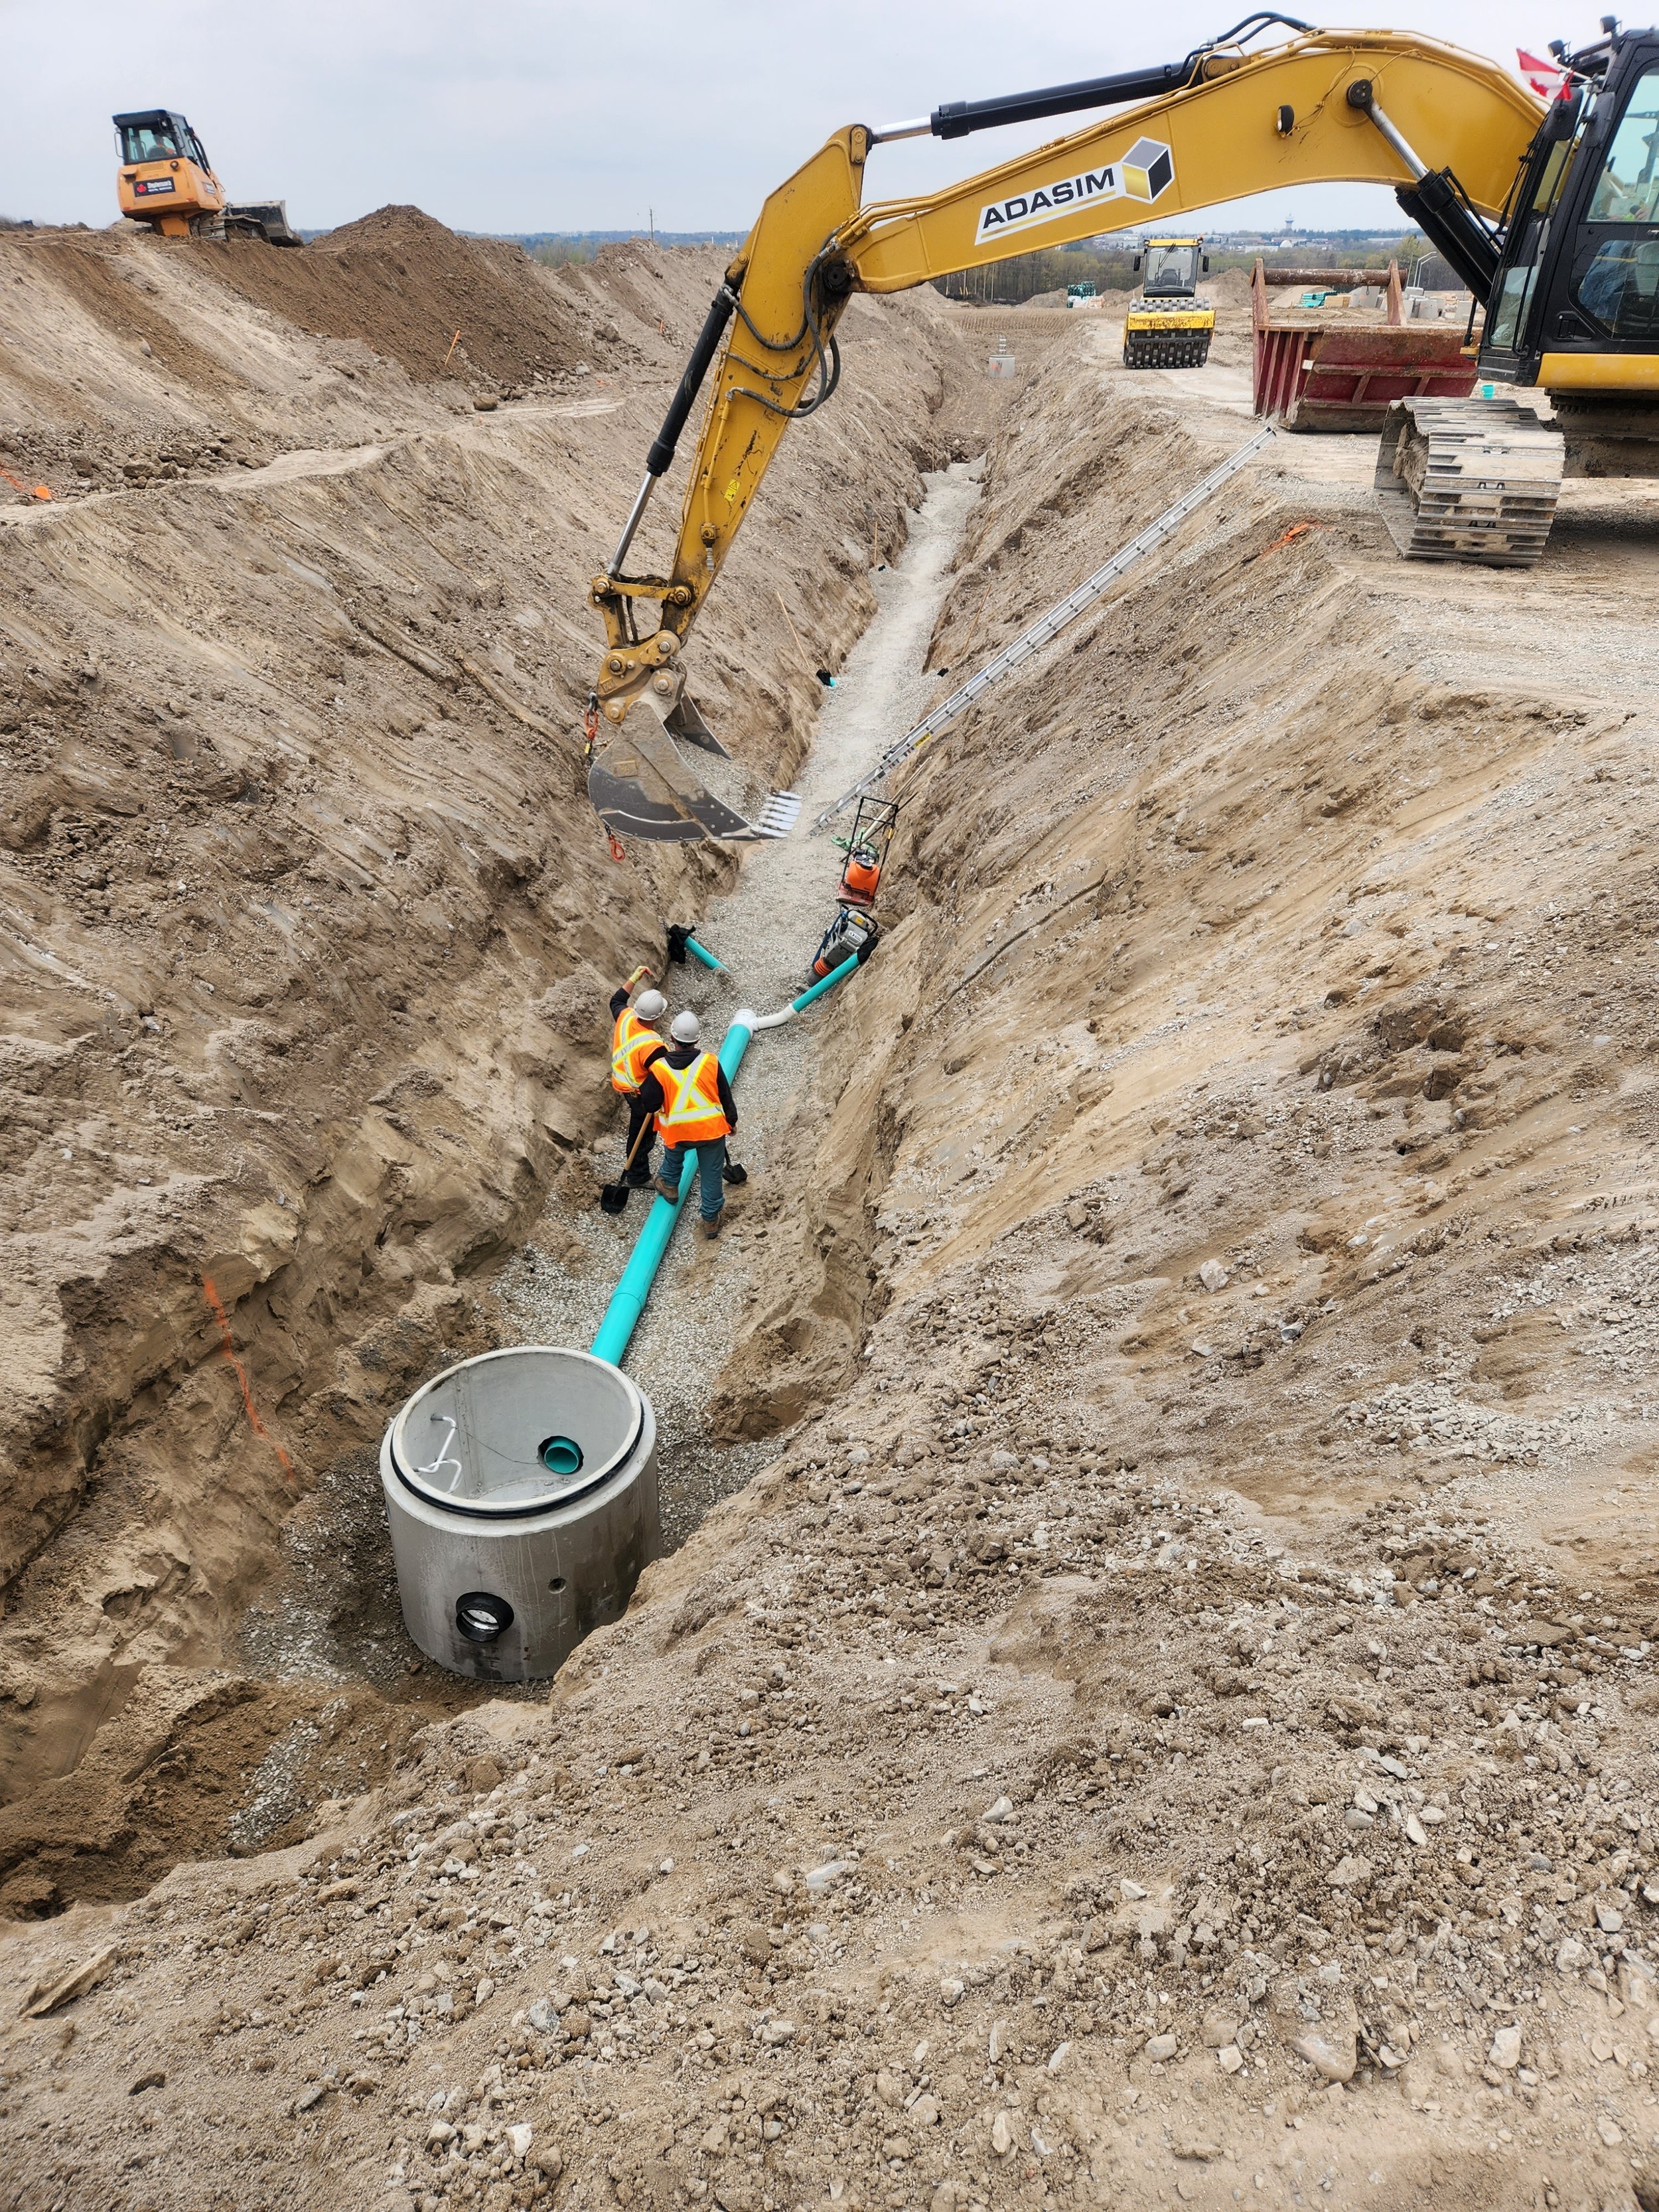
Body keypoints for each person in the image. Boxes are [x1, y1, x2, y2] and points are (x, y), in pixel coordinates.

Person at [638, 1009, 737, 1239]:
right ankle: (711, 1221)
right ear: (697, 1040)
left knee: (673, 1159)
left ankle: (670, 1186)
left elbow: (650, 1105)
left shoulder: (660, 1069)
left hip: (679, 1133)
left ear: (672, 1039)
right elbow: (725, 1095)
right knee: (712, 1175)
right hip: (711, 1131)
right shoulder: (710, 1062)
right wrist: (731, 1121)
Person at [609, 971, 668, 1189]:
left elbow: (617, 1000)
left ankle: (635, 1170)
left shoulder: (625, 1016)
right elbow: (663, 1075)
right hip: (641, 1094)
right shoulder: (653, 1046)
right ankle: (639, 1177)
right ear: (658, 1017)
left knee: (636, 1128)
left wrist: (635, 977)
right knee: (643, 1135)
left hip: (624, 1086)